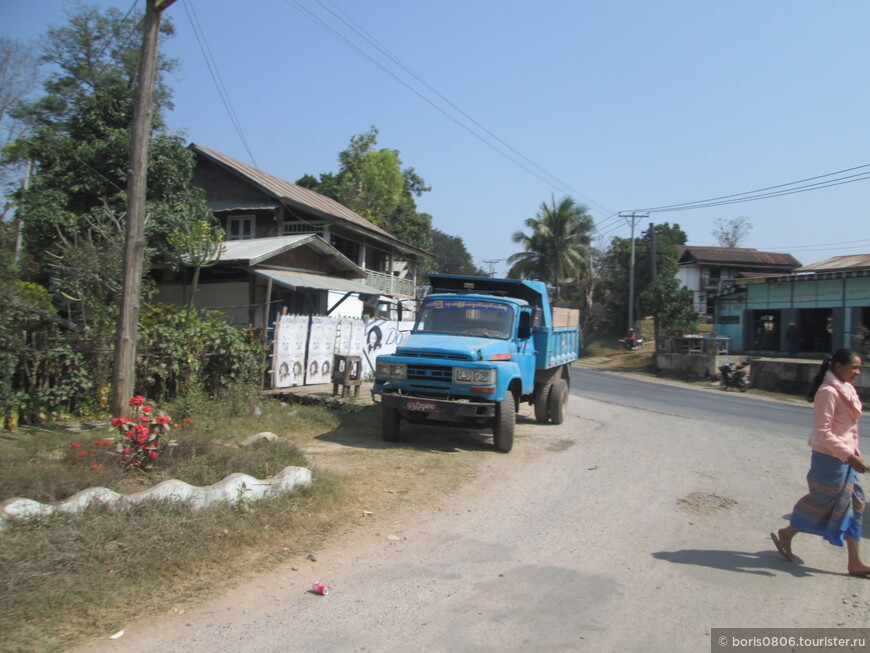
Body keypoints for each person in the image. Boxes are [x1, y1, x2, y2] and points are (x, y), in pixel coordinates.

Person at [770, 349, 869, 576]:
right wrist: (849, 455)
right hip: (829, 459)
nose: (857, 371)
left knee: (855, 505)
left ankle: (855, 562)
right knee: (821, 503)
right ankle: (788, 532)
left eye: (859, 367)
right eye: (854, 367)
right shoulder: (828, 392)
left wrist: (854, 453)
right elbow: (823, 432)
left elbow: (847, 429)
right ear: (838, 367)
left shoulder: (847, 389)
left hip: (845, 457)